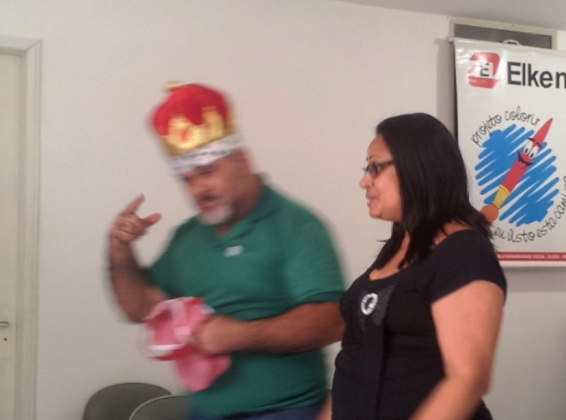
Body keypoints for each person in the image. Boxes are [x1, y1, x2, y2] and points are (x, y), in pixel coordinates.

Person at [107, 82, 346, 420]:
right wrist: (120, 250)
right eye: (187, 179)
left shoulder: (295, 227)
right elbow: (140, 307)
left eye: (207, 172)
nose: (198, 188)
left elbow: (331, 320)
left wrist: (239, 334)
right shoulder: (186, 238)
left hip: (285, 412)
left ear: (242, 161)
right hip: (203, 413)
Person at [327, 113, 507, 420]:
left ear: (417, 167)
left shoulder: (464, 254)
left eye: (375, 167)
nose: (364, 181)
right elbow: (356, 356)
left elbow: (467, 380)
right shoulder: (398, 247)